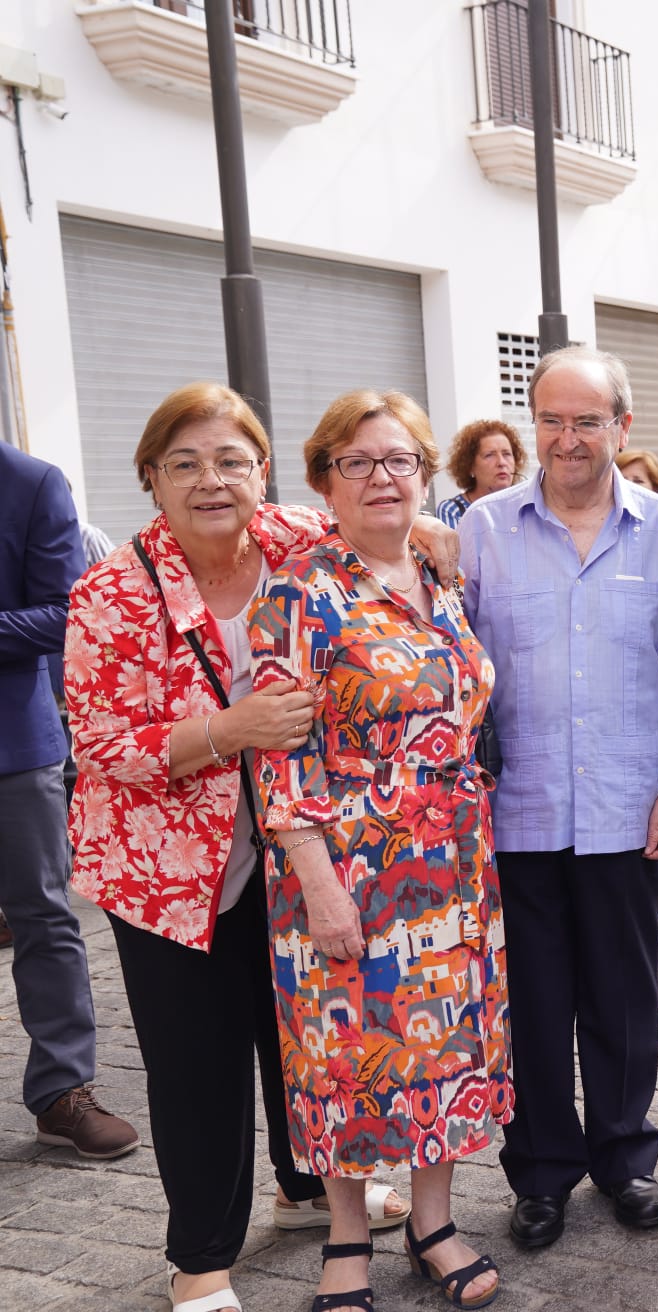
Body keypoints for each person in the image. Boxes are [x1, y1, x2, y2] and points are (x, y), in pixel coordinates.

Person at [64, 383, 420, 1312]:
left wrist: (435, 538)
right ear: (150, 480)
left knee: (296, 1038)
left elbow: (384, 536)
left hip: (293, 850)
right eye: (184, 463)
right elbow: (99, 745)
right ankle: (201, 1259)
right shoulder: (111, 589)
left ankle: (304, 1191)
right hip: (165, 873)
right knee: (196, 1066)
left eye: (230, 460)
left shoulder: (298, 544)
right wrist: (230, 730)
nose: (210, 481)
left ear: (262, 471)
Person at [252, 389, 508, 1312]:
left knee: (440, 1046)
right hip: (345, 867)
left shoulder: (440, 580)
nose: (382, 478)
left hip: (451, 866)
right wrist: (319, 886)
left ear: (425, 475)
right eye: (357, 462)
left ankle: (434, 1224)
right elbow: (279, 756)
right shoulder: (298, 592)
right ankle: (349, 1236)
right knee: (345, 1055)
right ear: (323, 480)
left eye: (399, 460)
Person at [459, 346, 658, 1251]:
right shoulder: (483, 528)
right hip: (515, 808)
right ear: (535, 427)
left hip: (628, 806)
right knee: (533, 998)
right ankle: (542, 1173)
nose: (568, 439)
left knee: (623, 995)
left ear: (620, 428)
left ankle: (625, 1157)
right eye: (552, 420)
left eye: (587, 420)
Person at [0, 439, 139, 1169]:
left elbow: (66, 612)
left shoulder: (30, 483)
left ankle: (61, 1095)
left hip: (12, 748)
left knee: (43, 918)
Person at [435, 419, 524, 527]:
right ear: (470, 466)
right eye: (489, 455)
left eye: (507, 454)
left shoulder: (525, 506)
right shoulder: (453, 510)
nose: (501, 462)